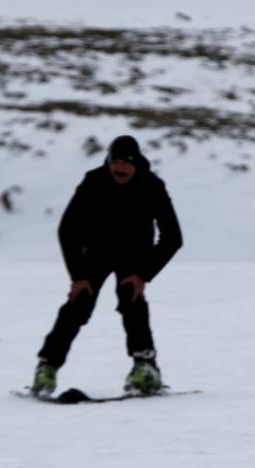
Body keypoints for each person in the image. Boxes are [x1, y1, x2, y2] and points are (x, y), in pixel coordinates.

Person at [31, 135, 183, 396]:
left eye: (126, 163)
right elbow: (67, 229)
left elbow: (173, 238)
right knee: (79, 303)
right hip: (95, 252)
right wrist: (78, 275)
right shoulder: (94, 181)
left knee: (131, 300)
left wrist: (143, 274)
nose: (120, 168)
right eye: (116, 162)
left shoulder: (152, 185)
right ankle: (47, 368)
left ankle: (145, 367)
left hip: (134, 255)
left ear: (136, 164)